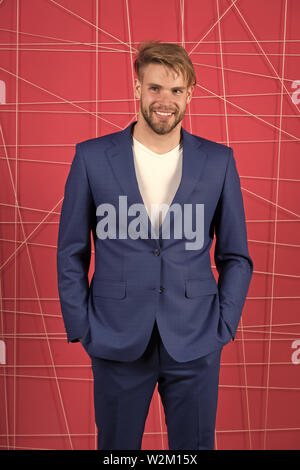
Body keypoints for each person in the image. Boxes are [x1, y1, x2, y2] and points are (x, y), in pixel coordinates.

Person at [57, 40, 253, 450]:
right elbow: (70, 251)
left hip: (196, 339)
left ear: (190, 94)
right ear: (137, 89)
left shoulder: (219, 161)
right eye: (155, 88)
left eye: (176, 90)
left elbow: (235, 256)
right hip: (114, 338)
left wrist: (224, 325)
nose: (165, 101)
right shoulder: (91, 158)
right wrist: (83, 328)